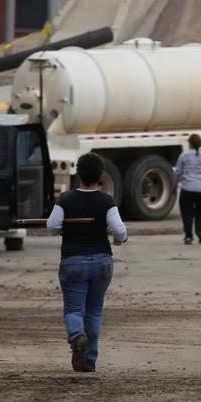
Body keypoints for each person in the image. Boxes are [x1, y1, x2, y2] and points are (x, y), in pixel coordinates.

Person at [46, 152, 128, 372]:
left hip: (73, 260)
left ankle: (76, 335)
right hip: (101, 261)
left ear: (78, 173)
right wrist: (119, 238)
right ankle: (89, 359)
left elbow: (52, 226)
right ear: (100, 175)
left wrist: (66, 227)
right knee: (94, 312)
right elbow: (119, 231)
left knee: (74, 310)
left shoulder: (66, 199)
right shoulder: (106, 200)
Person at [174, 133, 201, 245]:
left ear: (189, 143)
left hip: (187, 189)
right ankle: (200, 231)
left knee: (187, 213)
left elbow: (177, 173)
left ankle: (188, 236)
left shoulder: (184, 156)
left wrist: (173, 187)